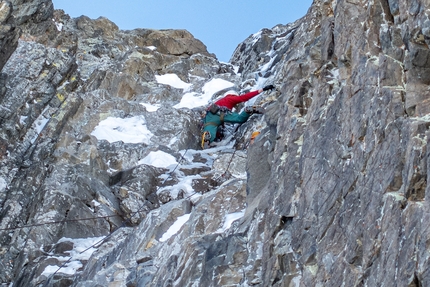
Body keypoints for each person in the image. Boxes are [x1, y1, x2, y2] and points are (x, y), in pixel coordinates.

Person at [201, 85, 275, 149]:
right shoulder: (230, 98)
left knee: (210, 130)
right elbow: (244, 97)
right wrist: (261, 90)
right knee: (239, 118)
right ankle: (247, 111)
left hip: (210, 116)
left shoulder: (217, 102)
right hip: (222, 113)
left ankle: (209, 138)